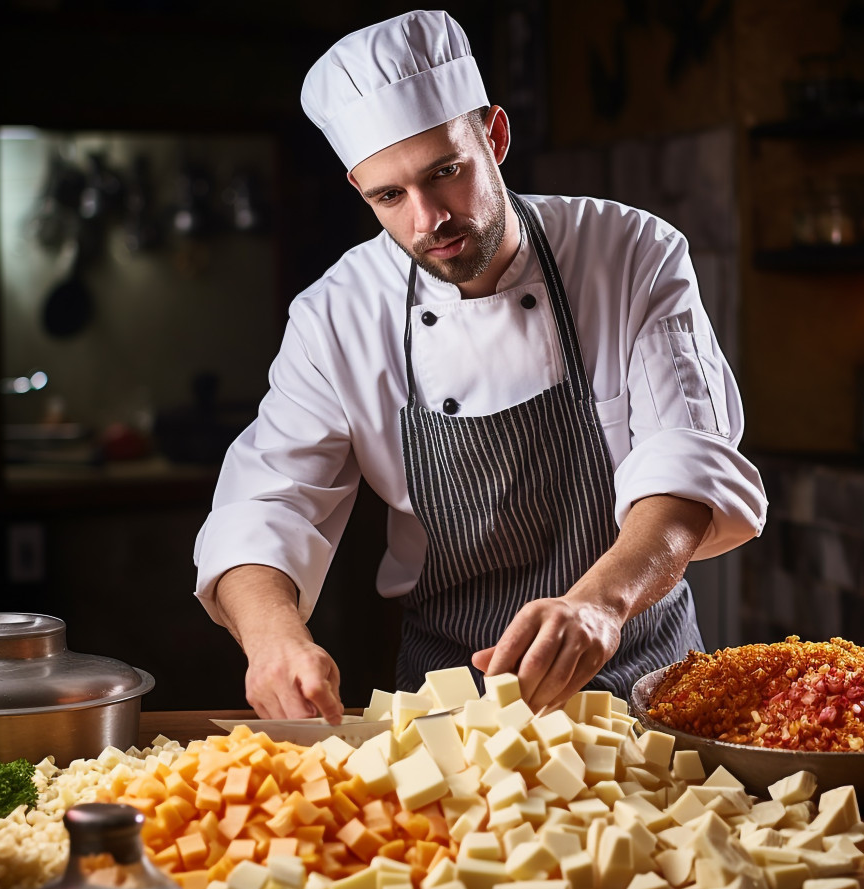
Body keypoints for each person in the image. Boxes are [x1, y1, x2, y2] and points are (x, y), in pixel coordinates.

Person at [194, 9, 767, 723]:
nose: (427, 218)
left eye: (446, 172)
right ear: (360, 191)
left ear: (494, 136)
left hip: (647, 681)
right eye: (389, 196)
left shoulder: (630, 253)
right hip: (451, 705)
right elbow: (265, 504)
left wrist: (599, 604)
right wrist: (273, 637)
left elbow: (688, 465)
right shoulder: (336, 315)